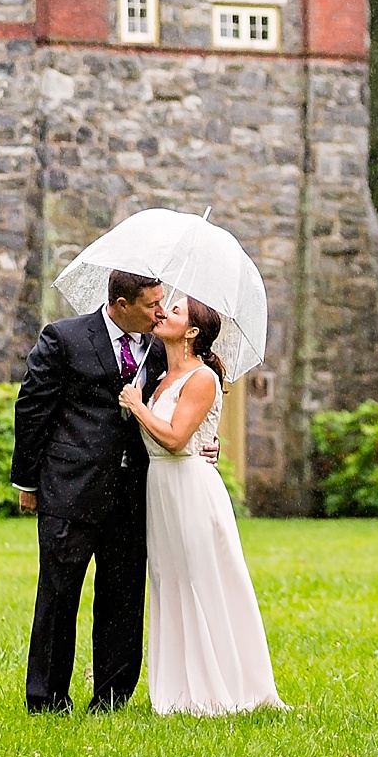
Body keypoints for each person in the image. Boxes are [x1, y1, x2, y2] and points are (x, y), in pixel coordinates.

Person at [10, 268, 170, 713]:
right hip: (69, 490)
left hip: (134, 492)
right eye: (151, 304)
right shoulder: (65, 338)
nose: (161, 311)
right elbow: (33, 409)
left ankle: (112, 698)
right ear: (121, 304)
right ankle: (47, 698)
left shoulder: (161, 349)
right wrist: (27, 480)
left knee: (123, 596)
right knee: (59, 596)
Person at [119, 293, 283, 715]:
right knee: (168, 579)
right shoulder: (157, 375)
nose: (162, 313)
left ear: (191, 331)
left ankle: (225, 684)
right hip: (161, 489)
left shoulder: (203, 377)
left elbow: (175, 440)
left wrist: (137, 408)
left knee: (202, 578)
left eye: (174, 311)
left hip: (190, 487)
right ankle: (177, 687)